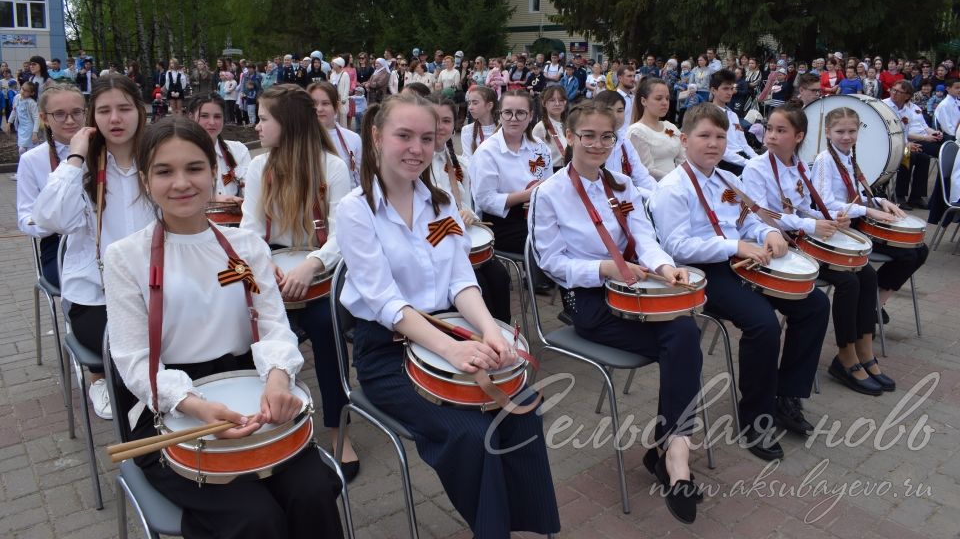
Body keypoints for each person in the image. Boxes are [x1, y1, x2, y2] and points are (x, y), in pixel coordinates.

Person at [103, 117, 344, 539]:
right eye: (164, 171)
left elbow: (273, 326)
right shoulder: (126, 257)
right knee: (255, 518)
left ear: (214, 173)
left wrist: (277, 380)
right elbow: (134, 360)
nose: (181, 183)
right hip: (172, 408)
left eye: (194, 168)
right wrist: (194, 405)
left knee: (313, 493)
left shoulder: (246, 247)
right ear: (145, 180)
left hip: (254, 392)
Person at [337, 91, 560, 538]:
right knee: (469, 434)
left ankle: (529, 525)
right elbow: (385, 303)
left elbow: (462, 282)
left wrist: (489, 331)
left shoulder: (440, 204)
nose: (417, 149)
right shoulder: (355, 210)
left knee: (523, 409)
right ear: (377, 136)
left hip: (454, 334)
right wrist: (452, 351)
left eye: (426, 137)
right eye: (404, 136)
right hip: (389, 352)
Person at [530, 100, 702, 523]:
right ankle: (670, 452)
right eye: (587, 135)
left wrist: (664, 268)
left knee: (683, 333)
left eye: (606, 136)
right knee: (679, 341)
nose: (597, 143)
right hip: (587, 300)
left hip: (633, 289)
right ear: (569, 137)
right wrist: (603, 269)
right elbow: (551, 263)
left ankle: (674, 449)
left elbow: (644, 238)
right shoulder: (549, 193)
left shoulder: (623, 185)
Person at [650, 103, 830, 460]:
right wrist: (735, 245)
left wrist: (767, 233)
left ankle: (786, 394)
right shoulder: (673, 187)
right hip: (701, 272)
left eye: (720, 136)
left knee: (814, 305)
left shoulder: (726, 180)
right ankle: (755, 420)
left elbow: (748, 220)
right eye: (704, 136)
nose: (714, 144)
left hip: (743, 259)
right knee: (763, 324)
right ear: (685, 140)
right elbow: (676, 246)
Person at [239, 83, 359, 479]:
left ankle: (337, 429)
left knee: (328, 332)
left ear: (287, 124)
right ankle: (273, 424)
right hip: (272, 275)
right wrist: (264, 266)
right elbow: (250, 229)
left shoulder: (332, 167)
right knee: (256, 336)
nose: (256, 127)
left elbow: (343, 233)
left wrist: (312, 263)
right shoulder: (259, 167)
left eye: (263, 119)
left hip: (319, 275)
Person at [742, 104, 892, 396]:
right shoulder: (756, 168)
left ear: (798, 137)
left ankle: (864, 350)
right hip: (779, 245)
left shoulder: (798, 165)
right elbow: (762, 216)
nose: (771, 136)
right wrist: (813, 226)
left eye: (780, 130)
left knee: (868, 276)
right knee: (849, 281)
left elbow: (805, 208)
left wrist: (829, 219)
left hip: (802, 239)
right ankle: (845, 356)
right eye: (770, 129)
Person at [33, 76, 155, 420]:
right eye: (104, 111)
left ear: (140, 112)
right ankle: (142, 429)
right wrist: (75, 156)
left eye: (124, 108)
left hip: (157, 288)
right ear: (93, 117)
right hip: (96, 296)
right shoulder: (85, 167)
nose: (115, 119)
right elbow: (51, 218)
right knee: (133, 350)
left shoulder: (156, 160)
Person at [811, 106, 929, 329]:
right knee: (907, 256)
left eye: (852, 131)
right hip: (842, 226)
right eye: (840, 132)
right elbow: (825, 203)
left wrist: (879, 202)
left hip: (857, 219)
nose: (846, 137)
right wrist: (867, 210)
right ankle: (871, 305)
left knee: (920, 250)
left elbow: (858, 193)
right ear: (828, 132)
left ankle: (875, 303)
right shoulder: (825, 160)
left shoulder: (848, 156)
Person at [429, 94, 512, 323]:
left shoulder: (458, 164)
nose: (440, 126)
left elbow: (466, 203)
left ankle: (504, 337)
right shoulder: (416, 164)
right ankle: (485, 339)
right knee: (480, 284)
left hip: (460, 240)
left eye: (446, 121)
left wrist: (468, 213)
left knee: (500, 276)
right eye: (434, 119)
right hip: (435, 246)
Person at [16, 83, 85, 285]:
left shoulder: (103, 152)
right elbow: (25, 218)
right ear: (45, 118)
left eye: (76, 112)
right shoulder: (32, 160)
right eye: (60, 114)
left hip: (104, 239)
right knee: (81, 279)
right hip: (59, 244)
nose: (70, 120)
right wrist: (54, 221)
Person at [469, 90, 552, 257]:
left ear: (530, 116)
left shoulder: (540, 147)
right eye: (508, 113)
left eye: (520, 113)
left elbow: (550, 185)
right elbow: (485, 200)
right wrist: (527, 195)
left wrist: (539, 199)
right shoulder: (487, 151)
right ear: (500, 115)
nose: (513, 118)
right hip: (501, 221)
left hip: (538, 212)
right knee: (548, 241)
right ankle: (541, 280)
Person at [885, 81, 942, 209]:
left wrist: (908, 143)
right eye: (893, 90)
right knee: (908, 156)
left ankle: (916, 196)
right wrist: (906, 145)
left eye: (899, 92)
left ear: (907, 96)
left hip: (900, 145)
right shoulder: (884, 105)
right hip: (885, 145)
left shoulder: (907, 112)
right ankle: (899, 195)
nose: (894, 93)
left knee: (924, 158)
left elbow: (904, 134)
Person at [593, 89, 657, 199]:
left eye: (620, 110)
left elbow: (641, 176)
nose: (615, 116)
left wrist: (658, 196)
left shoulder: (624, 142)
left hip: (623, 200)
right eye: (609, 110)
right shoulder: (591, 144)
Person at [189, 93, 251, 201]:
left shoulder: (238, 151)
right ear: (191, 117)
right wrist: (216, 199)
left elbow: (250, 190)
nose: (212, 122)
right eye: (204, 116)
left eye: (217, 116)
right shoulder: (179, 154)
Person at [627, 77, 685, 180]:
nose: (665, 103)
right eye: (658, 98)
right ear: (644, 101)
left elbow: (683, 158)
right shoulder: (637, 132)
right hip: (655, 188)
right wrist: (676, 180)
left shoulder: (669, 127)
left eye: (667, 98)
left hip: (679, 184)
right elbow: (647, 170)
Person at [308, 81, 362, 189]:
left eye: (325, 103)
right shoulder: (299, 140)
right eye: (313, 104)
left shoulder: (353, 139)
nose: (319, 109)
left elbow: (361, 180)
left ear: (336, 106)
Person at [712, 69, 760, 175]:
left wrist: (757, 159)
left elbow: (743, 143)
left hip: (741, 157)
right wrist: (747, 163)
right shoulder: (710, 115)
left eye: (731, 88)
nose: (730, 92)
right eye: (725, 89)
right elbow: (721, 150)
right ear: (713, 90)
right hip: (726, 161)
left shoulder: (733, 115)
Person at [532, 85, 568, 170]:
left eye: (561, 100)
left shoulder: (570, 125)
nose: (557, 104)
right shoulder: (540, 128)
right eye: (552, 100)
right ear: (544, 103)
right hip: (550, 173)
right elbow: (534, 159)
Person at [460, 86, 499, 158]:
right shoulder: (467, 130)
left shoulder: (503, 129)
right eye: (469, 103)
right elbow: (468, 160)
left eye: (475, 103)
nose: (470, 107)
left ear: (489, 106)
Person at [12, 81, 40, 155]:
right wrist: (9, 122)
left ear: (32, 93)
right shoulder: (17, 98)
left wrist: (35, 133)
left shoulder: (32, 103)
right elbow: (14, 110)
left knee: (31, 151)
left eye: (26, 91)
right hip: (21, 128)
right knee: (21, 150)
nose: (23, 91)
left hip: (30, 129)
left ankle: (31, 165)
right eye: (22, 89)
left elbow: (36, 118)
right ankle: (23, 164)